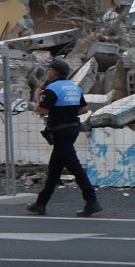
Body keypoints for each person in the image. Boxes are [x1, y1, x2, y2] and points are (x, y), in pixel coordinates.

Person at [27, 59, 100, 217]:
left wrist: (37, 96)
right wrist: (68, 112)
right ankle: (41, 203)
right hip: (73, 129)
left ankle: (92, 200)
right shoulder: (74, 87)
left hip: (60, 132)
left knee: (75, 167)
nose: (48, 73)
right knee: (55, 169)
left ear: (53, 72)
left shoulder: (51, 89)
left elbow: (42, 111)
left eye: (49, 71)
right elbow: (83, 109)